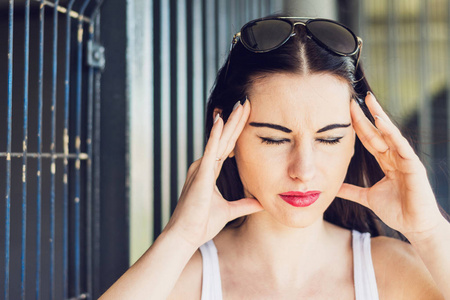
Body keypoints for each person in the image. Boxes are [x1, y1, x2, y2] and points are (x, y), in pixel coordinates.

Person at [100, 16, 450, 299]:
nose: (304, 170)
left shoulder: (391, 272)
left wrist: (429, 231)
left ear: (357, 139)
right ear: (227, 134)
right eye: (273, 139)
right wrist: (179, 238)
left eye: (329, 139)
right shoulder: (182, 279)